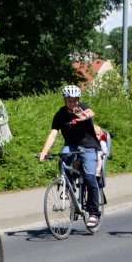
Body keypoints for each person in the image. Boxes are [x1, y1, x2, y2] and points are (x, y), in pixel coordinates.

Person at [39, 85, 101, 228]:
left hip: (88, 146)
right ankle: (68, 186)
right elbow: (53, 133)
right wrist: (44, 152)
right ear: (65, 100)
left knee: (90, 178)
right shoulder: (60, 114)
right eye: (69, 101)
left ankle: (93, 213)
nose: (72, 104)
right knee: (63, 156)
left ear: (78, 100)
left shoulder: (82, 108)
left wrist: (86, 115)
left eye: (74, 100)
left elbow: (91, 112)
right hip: (72, 145)